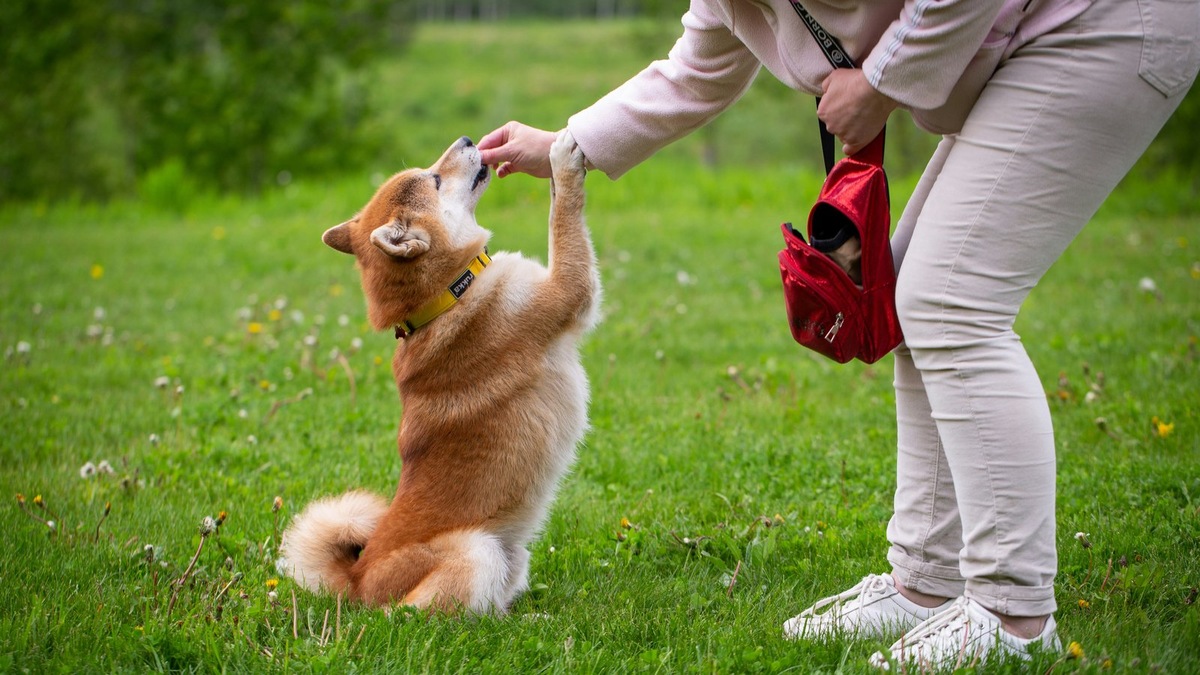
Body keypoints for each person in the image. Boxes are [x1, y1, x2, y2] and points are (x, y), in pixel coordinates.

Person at [479, 0, 1199, 668]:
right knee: (914, 295)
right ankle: (926, 581)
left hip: (1097, 25)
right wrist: (568, 146)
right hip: (1031, 42)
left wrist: (880, 83)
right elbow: (695, 70)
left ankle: (1013, 614)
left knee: (951, 303)